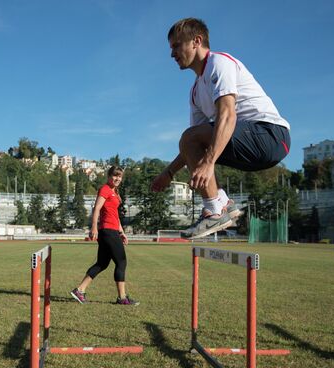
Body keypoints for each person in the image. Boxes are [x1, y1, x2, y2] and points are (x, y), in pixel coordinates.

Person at [151, 18, 291, 239]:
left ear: (196, 41)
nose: (172, 54)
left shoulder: (219, 63)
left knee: (192, 140)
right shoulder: (195, 92)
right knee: (190, 141)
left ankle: (216, 209)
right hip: (248, 145)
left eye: (177, 45)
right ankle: (219, 203)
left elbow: (227, 114)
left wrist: (208, 163)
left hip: (271, 136)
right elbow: (191, 146)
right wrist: (168, 173)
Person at [70, 166, 139, 306]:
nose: (117, 178)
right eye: (115, 175)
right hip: (107, 230)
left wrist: (121, 232)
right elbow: (97, 208)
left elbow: (115, 215)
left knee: (102, 263)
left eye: (120, 176)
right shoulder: (105, 189)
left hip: (112, 230)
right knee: (121, 262)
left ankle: (79, 290)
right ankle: (122, 298)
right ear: (109, 176)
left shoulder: (115, 192)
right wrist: (94, 227)